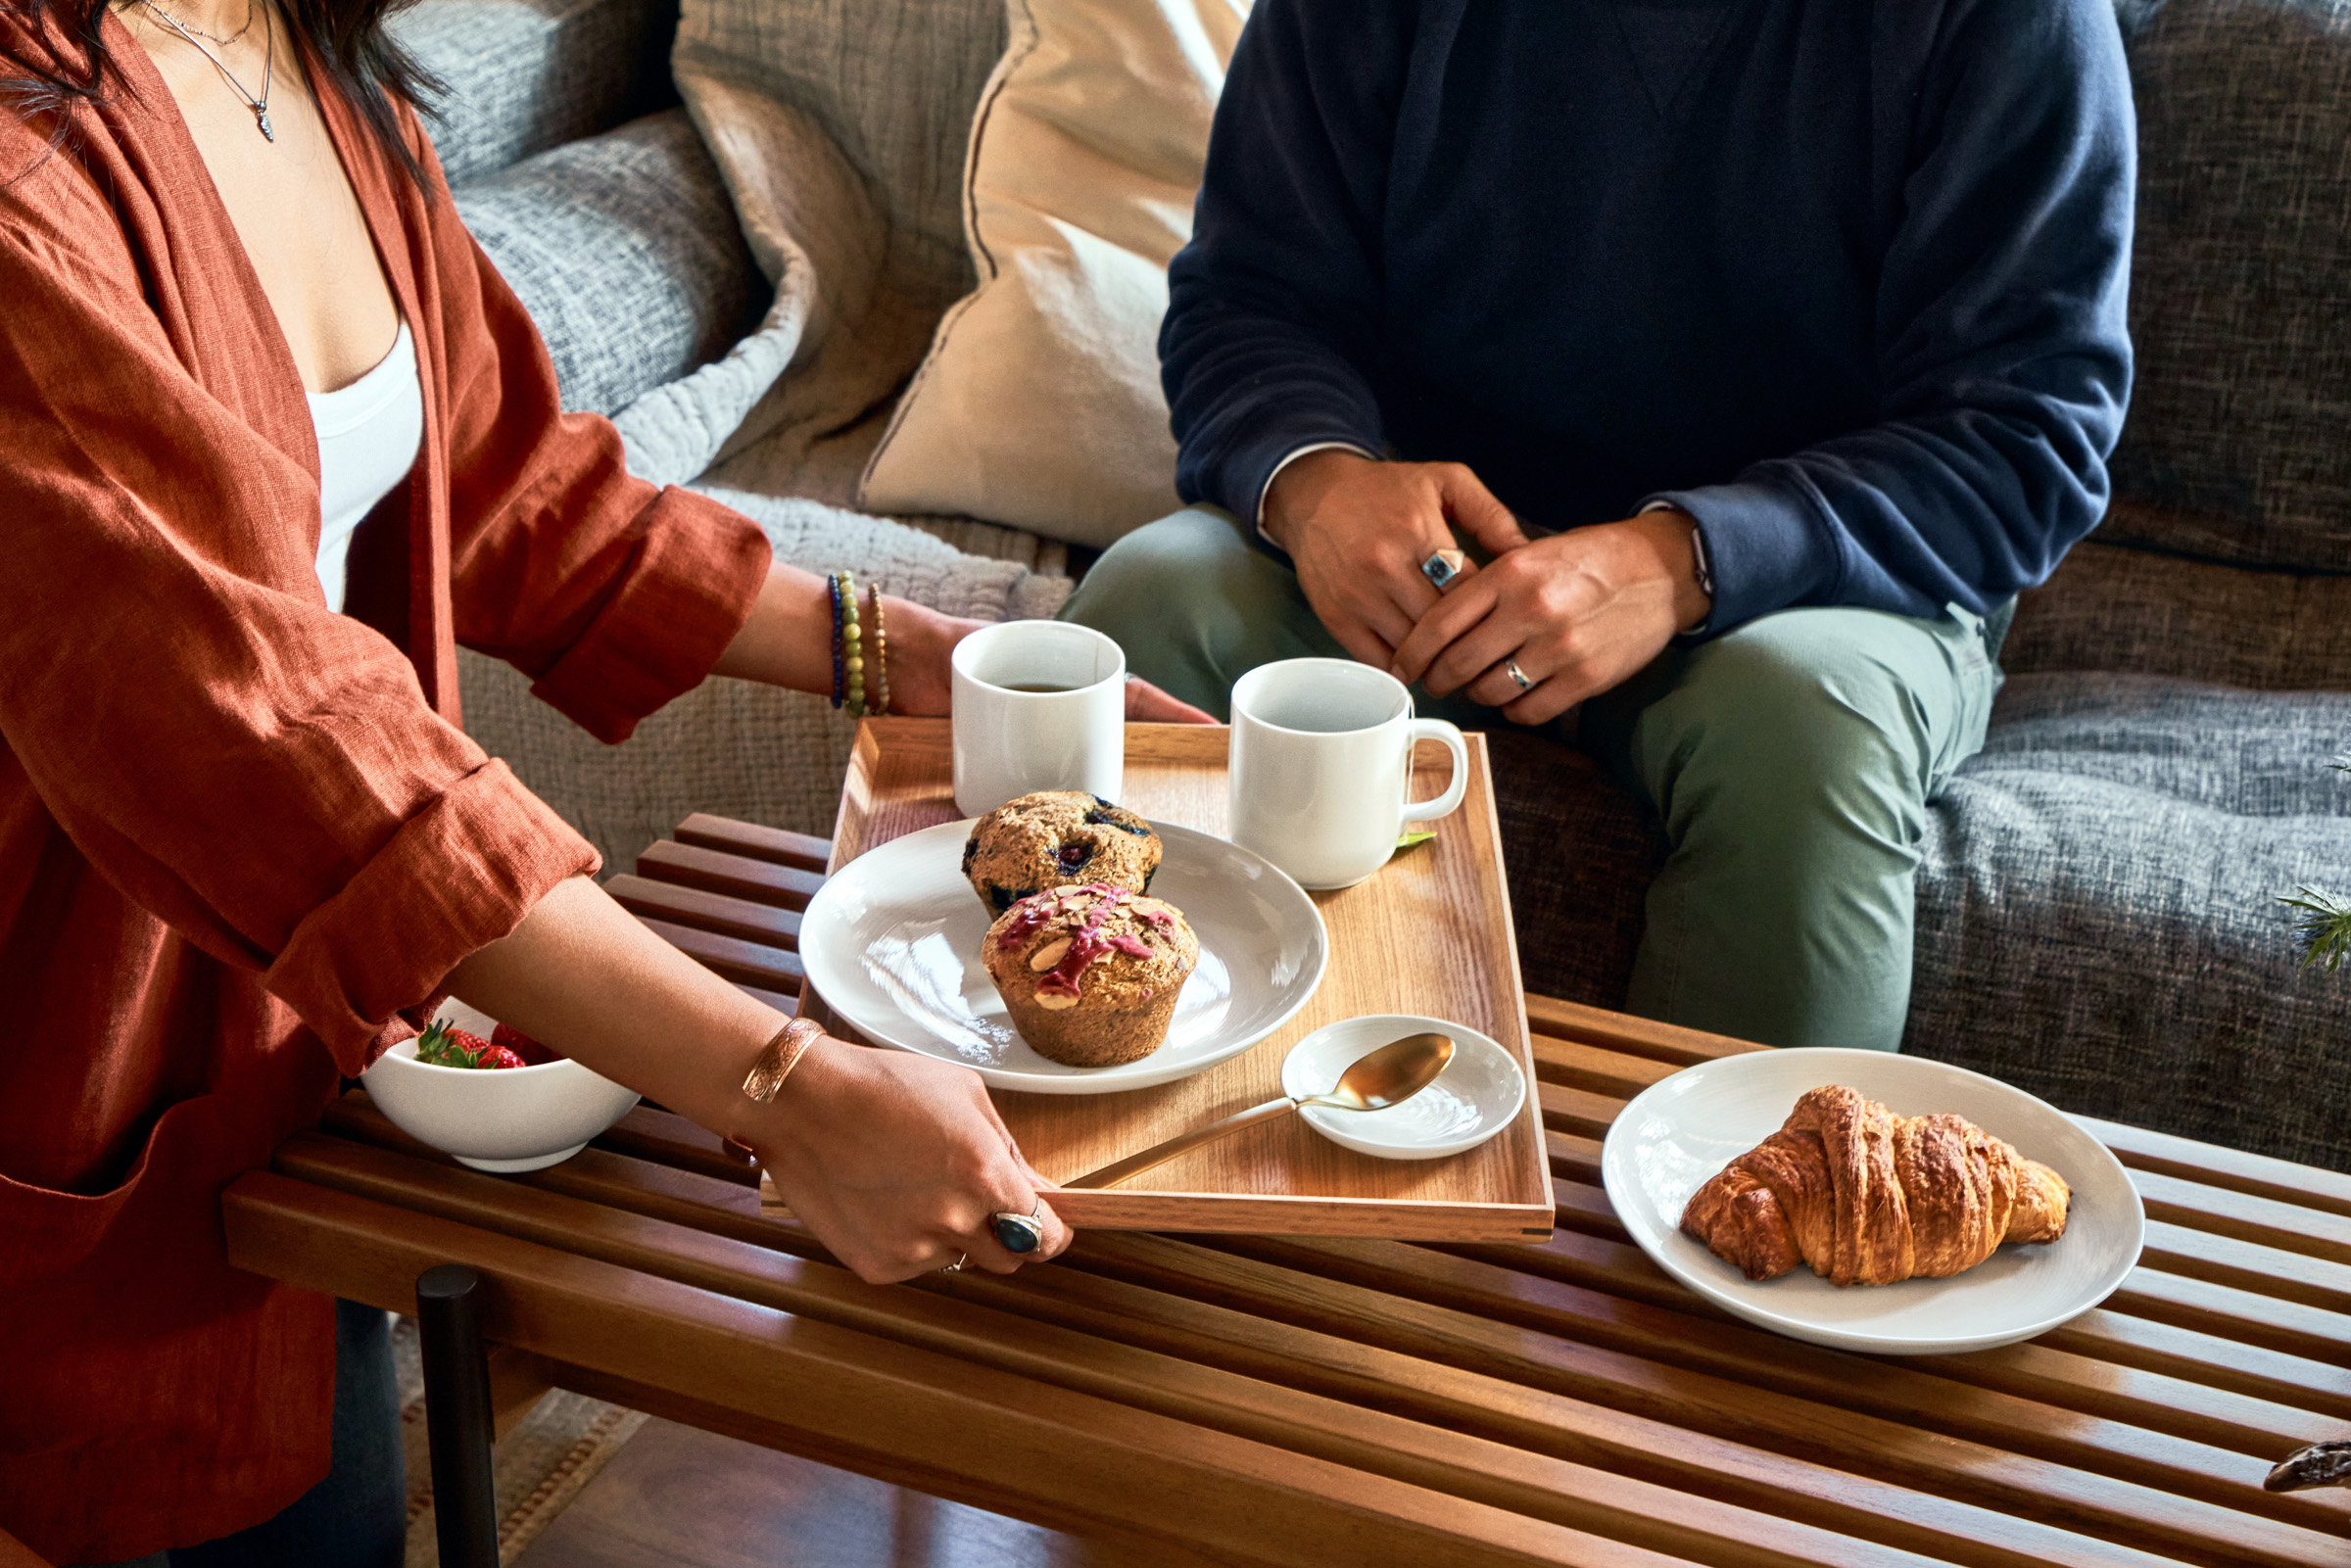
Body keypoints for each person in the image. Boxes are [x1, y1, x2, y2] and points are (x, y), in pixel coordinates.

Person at [0, 0, 1206, 1561]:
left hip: (283, 1062)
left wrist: (897, 648)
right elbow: (283, 736)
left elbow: (508, 483)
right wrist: (787, 1086)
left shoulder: (292, 47)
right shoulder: (29, 172)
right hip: (64, 1046)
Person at [1065, 0, 2135, 1054]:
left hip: (1812, 585)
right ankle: (1055, 1191)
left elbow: (2023, 430)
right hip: (1436, 557)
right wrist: (1320, 483)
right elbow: (1255, 293)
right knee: (1149, 604)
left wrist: (1680, 560)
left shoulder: (2015, 21)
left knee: (1802, 731)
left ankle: (1720, 1215)